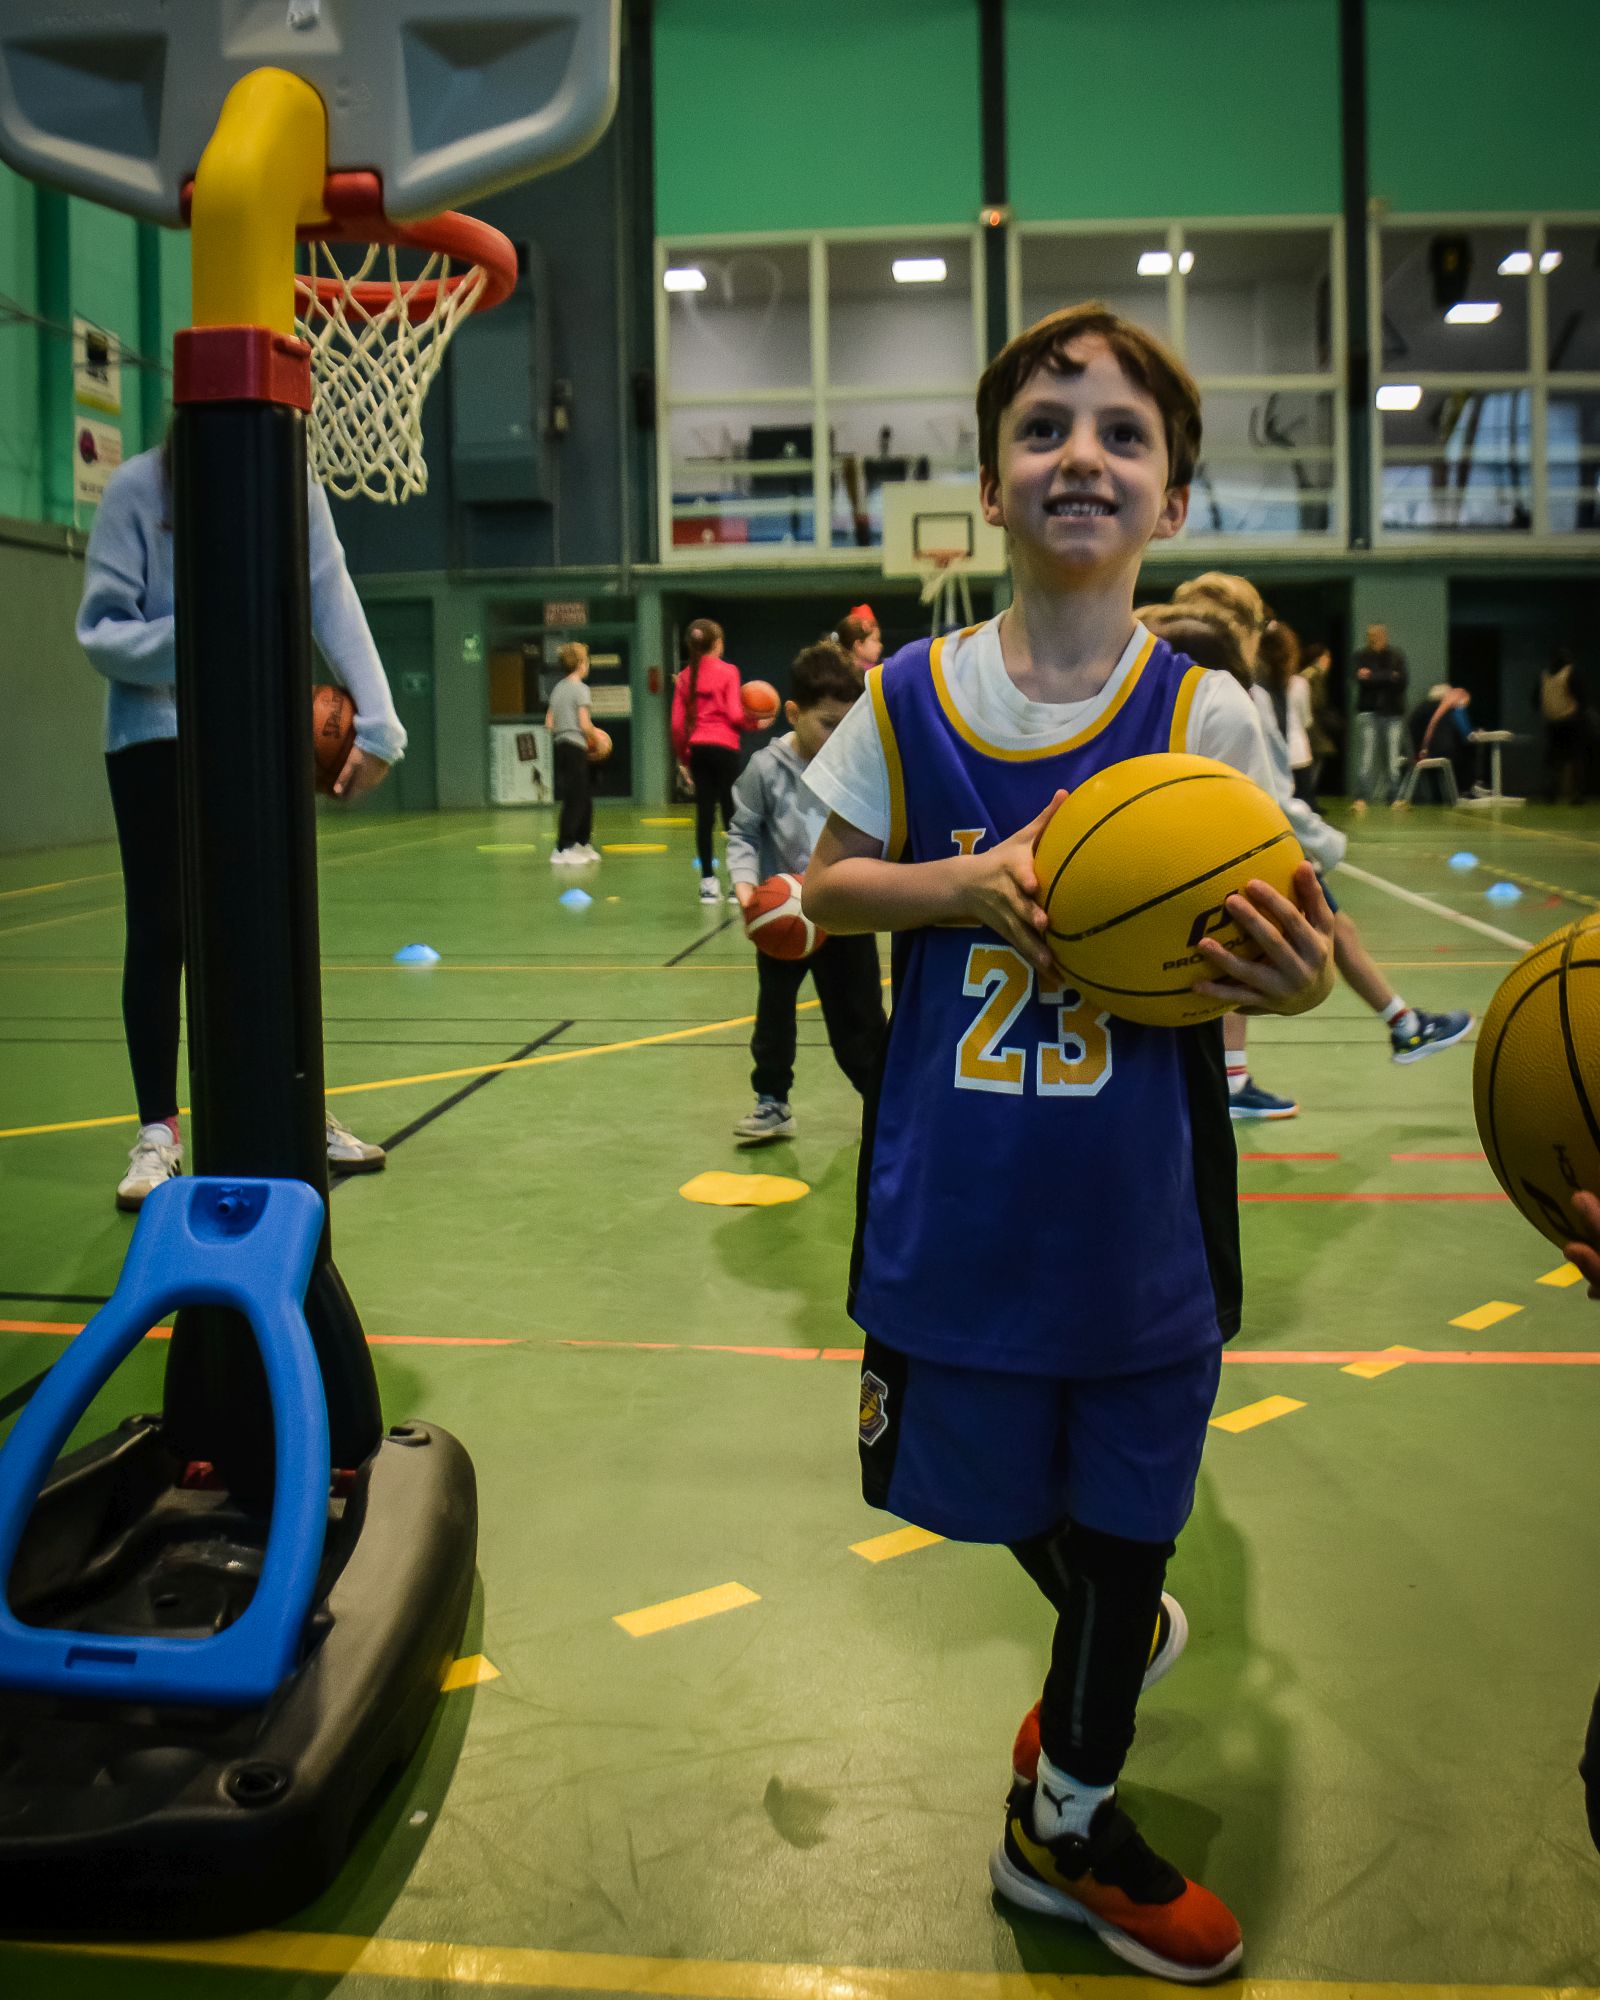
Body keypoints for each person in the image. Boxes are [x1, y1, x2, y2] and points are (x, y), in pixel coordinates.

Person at [802, 301, 1336, 1980]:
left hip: (1138, 1227)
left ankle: (1068, 1820)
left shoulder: (1207, 721)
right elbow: (823, 889)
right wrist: (960, 881)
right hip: (956, 1221)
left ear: (1172, 495)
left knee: (1128, 1530)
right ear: (990, 484)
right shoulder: (908, 699)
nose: (1080, 456)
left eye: (1121, 434)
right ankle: (1109, 1639)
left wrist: (1302, 982)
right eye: (1043, 430)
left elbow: (1294, 947)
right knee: (1010, 1512)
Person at [76, 438, 403, 1213]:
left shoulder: (289, 483)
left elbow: (331, 593)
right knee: (162, 928)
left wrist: (381, 727)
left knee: (270, 932)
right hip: (152, 739)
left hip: (257, 732)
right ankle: (157, 1133)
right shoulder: (135, 489)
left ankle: (296, 1110)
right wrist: (204, 637)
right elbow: (102, 633)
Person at [1172, 574, 1472, 1119]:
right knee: (1237, 956)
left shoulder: (1175, 686)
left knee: (1323, 934)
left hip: (1203, 844)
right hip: (1247, 845)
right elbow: (1265, 796)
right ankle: (1235, 1082)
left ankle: (1403, 1025)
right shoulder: (1237, 696)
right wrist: (1323, 843)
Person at [725, 642, 886, 1143]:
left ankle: (886, 1106)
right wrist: (745, 886)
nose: (840, 735)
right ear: (794, 714)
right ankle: (772, 1101)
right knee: (774, 1016)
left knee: (861, 1023)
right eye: (829, 724)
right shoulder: (764, 769)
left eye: (849, 724)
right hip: (783, 920)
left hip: (844, 915)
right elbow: (744, 832)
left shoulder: (859, 767)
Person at [670, 618, 770, 904]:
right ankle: (737, 883)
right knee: (731, 816)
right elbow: (735, 714)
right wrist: (754, 723)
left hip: (699, 750)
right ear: (716, 644)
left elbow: (677, 725)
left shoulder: (685, 677)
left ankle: (707, 884)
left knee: (704, 817)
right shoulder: (729, 671)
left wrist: (684, 757)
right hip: (725, 748)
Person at [545, 641, 601, 864]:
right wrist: (598, 739)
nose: (588, 665)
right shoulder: (580, 689)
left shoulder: (558, 688)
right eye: (586, 660)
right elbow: (585, 724)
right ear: (580, 663)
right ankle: (564, 847)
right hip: (575, 746)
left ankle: (582, 843)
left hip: (561, 745)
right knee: (576, 799)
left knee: (583, 796)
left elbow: (549, 723)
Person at [1256, 617, 1316, 808]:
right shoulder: (1300, 685)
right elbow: (1306, 721)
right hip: (1299, 755)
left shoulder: (1255, 689)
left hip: (1269, 759)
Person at [1350, 621, 1408, 810]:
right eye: (1370, 636)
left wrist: (1373, 676)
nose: (1373, 639)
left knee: (1392, 759)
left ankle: (1395, 797)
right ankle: (1361, 798)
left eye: (1377, 635)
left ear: (1384, 636)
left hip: (1393, 713)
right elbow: (1359, 678)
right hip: (1368, 711)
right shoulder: (1360, 656)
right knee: (1365, 759)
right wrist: (1388, 676)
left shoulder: (1396, 656)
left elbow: (1402, 681)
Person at [1403, 683, 1475, 803]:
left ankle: (1442, 796)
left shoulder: (1420, 708)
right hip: (1438, 752)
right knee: (1465, 753)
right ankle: (1465, 790)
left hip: (1416, 752)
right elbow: (1463, 733)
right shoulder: (1448, 710)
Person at [1537, 647, 1589, 806]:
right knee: (1575, 758)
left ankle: (1551, 793)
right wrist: (1581, 714)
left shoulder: (1545, 675)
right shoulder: (1571, 672)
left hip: (1552, 722)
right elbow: (1582, 697)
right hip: (1570, 720)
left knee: (1553, 760)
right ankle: (1576, 794)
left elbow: (1535, 698)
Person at [1298, 638, 1338, 800]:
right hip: (1313, 727)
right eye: (1326, 657)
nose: (1329, 661)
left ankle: (1309, 796)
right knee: (1314, 760)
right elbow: (1317, 701)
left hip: (1312, 726)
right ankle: (1308, 796)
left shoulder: (1307, 674)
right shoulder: (1313, 676)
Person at [831, 605, 884, 684]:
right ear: (858, 645)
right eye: (875, 640)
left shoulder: (883, 672)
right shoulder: (840, 678)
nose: (880, 645)